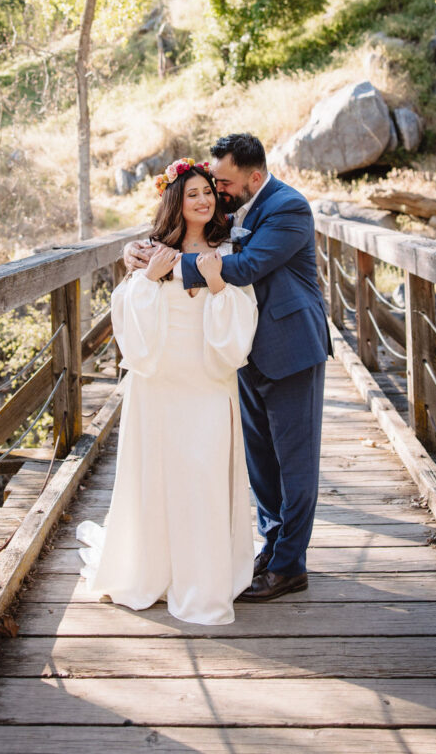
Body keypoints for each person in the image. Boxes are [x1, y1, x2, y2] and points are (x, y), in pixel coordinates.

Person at [126, 133, 331, 601]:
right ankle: (271, 548)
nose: (216, 190)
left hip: (290, 350)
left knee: (294, 465)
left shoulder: (288, 207)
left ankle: (290, 567)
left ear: (253, 178)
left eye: (223, 182)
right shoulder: (229, 206)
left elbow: (247, 265)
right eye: (213, 182)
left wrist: (167, 267)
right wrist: (137, 256)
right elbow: (186, 221)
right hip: (238, 353)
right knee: (261, 464)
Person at [77, 158, 258, 625]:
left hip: (208, 377)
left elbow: (243, 314)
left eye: (207, 192)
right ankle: (152, 570)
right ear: (175, 200)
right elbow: (127, 309)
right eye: (192, 193)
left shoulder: (230, 247)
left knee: (203, 475)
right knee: (160, 474)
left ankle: (203, 578)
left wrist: (219, 284)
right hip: (159, 379)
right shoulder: (148, 250)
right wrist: (150, 278)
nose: (202, 200)